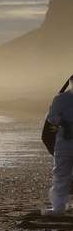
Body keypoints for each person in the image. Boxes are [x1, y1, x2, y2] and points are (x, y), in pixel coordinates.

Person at [45, 86, 73, 215]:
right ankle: (59, 206)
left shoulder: (60, 98)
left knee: (61, 174)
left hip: (64, 141)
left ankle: (59, 206)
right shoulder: (61, 98)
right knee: (61, 173)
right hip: (65, 140)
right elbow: (52, 117)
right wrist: (62, 121)